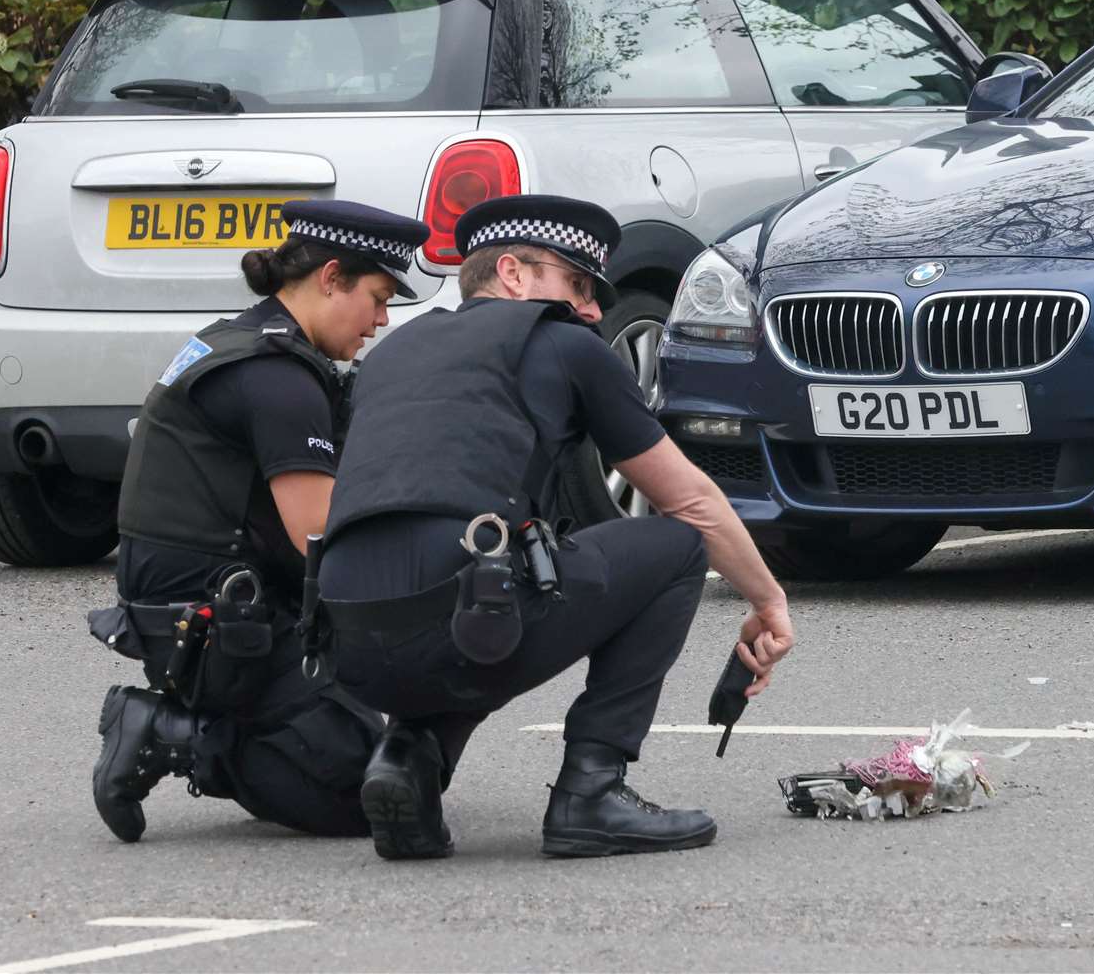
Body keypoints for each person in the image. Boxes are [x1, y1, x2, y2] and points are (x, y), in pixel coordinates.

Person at [317, 194, 795, 861]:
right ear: (513, 274)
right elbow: (691, 503)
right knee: (675, 546)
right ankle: (590, 789)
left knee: (471, 578)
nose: (595, 309)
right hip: (466, 628)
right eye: (578, 285)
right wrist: (769, 604)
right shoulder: (564, 344)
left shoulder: (392, 351)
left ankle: (409, 758)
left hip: (348, 647)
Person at [89, 200, 429, 843]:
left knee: (400, 767)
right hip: (213, 624)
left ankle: (217, 725)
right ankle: (173, 736)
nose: (381, 322)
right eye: (378, 298)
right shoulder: (278, 377)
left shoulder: (241, 338)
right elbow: (318, 538)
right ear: (331, 278)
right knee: (369, 794)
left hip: (202, 603)